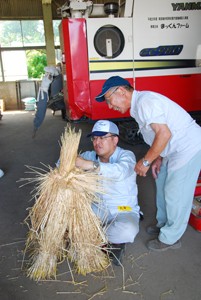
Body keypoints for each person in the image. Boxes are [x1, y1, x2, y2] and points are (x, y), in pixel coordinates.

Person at [95, 76, 201, 252]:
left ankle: (171, 238)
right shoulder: (137, 107)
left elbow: (164, 134)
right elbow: (158, 134)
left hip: (187, 147)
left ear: (120, 90)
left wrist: (146, 161)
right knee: (161, 181)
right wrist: (158, 157)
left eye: (108, 99)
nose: (109, 106)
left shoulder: (145, 102)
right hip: (172, 149)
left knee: (176, 192)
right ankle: (164, 224)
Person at [75, 120, 140, 265]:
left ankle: (100, 240)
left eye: (102, 137)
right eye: (94, 138)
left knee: (128, 230)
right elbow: (62, 164)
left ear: (115, 140)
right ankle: (106, 243)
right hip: (96, 210)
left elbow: (120, 171)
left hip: (122, 210)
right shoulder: (89, 155)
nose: (97, 142)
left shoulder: (127, 156)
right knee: (69, 221)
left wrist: (90, 165)